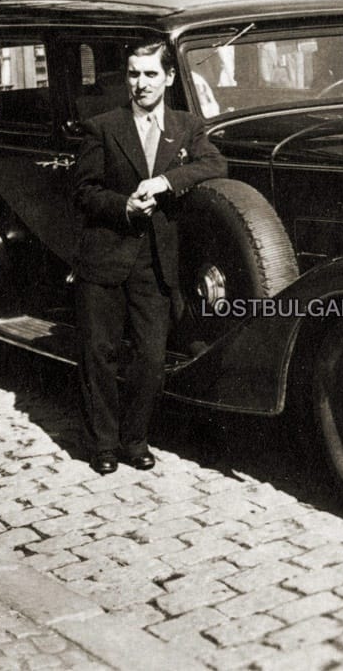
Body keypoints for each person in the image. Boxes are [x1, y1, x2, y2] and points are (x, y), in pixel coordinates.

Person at [71, 39, 227, 474]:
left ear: (170, 78)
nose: (140, 84)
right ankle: (103, 446)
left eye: (150, 74)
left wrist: (165, 183)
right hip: (105, 257)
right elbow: (83, 192)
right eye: (134, 74)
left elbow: (215, 165)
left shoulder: (187, 127)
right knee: (98, 353)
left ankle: (134, 439)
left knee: (151, 358)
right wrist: (123, 206)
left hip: (156, 262)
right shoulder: (101, 126)